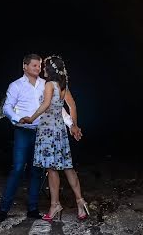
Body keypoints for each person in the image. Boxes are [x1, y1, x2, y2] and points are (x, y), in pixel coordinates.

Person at [20, 55, 89, 221]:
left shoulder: (50, 84)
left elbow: (45, 105)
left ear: (50, 69)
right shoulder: (63, 85)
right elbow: (72, 105)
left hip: (48, 131)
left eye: (44, 67)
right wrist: (73, 125)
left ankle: (55, 205)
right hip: (60, 131)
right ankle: (80, 202)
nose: (42, 69)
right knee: (67, 167)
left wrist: (31, 117)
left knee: (52, 169)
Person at [0, 53, 46, 222]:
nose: (38, 68)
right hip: (23, 131)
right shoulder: (16, 85)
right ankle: (3, 210)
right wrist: (17, 120)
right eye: (34, 65)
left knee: (36, 171)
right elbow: (7, 107)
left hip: (41, 132)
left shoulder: (45, 85)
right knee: (17, 169)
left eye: (39, 66)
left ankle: (33, 208)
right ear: (24, 66)